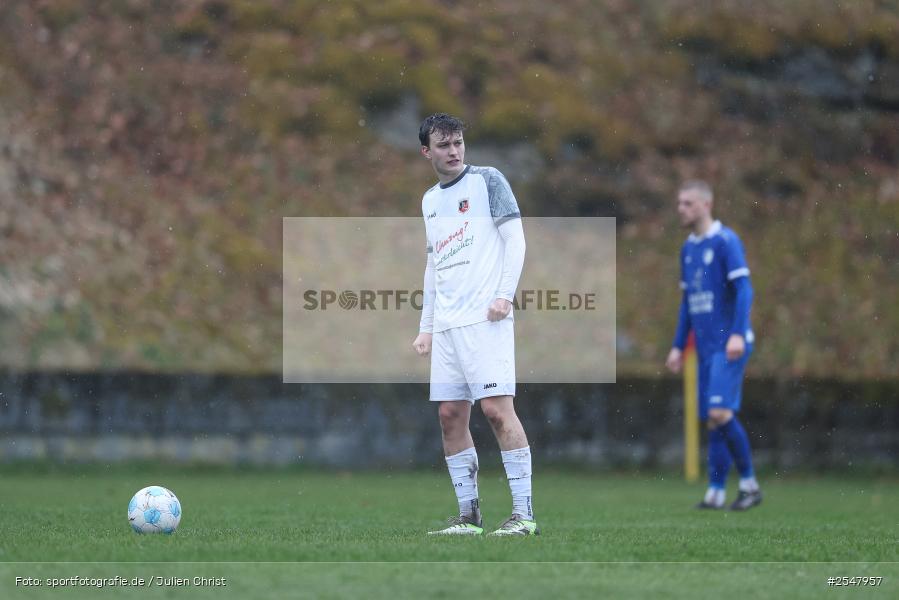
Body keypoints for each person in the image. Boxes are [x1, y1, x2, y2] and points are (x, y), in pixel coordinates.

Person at [412, 113, 537, 536]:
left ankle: (525, 516)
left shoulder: (488, 181)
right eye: (444, 145)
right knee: (450, 416)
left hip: (486, 318)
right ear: (427, 151)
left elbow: (515, 239)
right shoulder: (430, 200)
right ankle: (469, 517)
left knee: (498, 412)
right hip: (447, 326)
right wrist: (426, 326)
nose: (453, 151)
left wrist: (505, 295)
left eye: (459, 143)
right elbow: (434, 265)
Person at [665, 180, 763, 511]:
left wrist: (738, 332)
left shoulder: (725, 241)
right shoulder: (687, 249)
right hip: (705, 348)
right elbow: (687, 303)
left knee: (721, 412)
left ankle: (749, 485)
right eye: (679, 203)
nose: (682, 209)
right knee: (712, 419)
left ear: (707, 204)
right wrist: (679, 346)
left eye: (688, 203)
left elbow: (745, 289)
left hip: (728, 344)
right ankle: (716, 492)